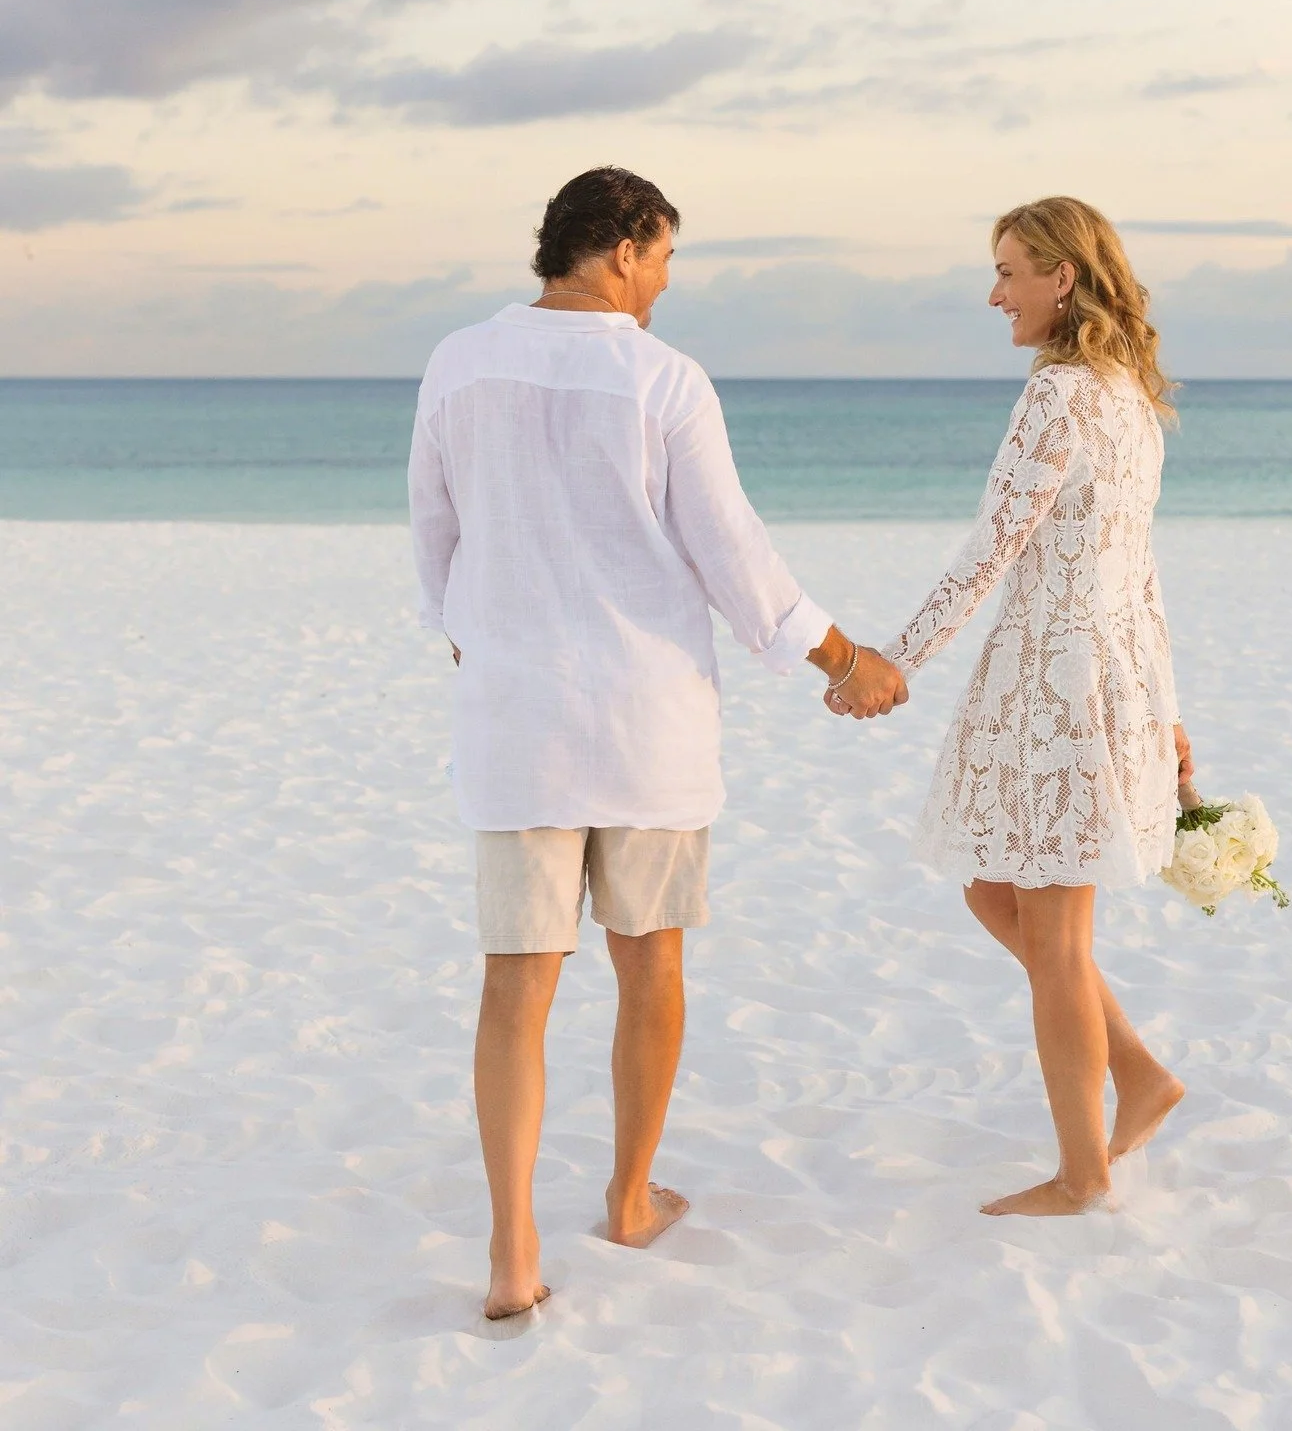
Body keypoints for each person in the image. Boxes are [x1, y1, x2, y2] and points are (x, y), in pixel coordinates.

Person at [409, 166, 906, 1319]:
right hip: (647, 720)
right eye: (666, 257)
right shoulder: (663, 376)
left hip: (518, 722)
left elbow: (435, 537)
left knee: (516, 981)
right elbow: (733, 553)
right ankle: (629, 1199)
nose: (667, 282)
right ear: (624, 247)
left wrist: (469, 635)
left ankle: (513, 1250)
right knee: (651, 963)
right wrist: (843, 660)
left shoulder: (457, 363)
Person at [876, 195, 1194, 1217]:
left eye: (1009, 271)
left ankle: (1081, 1173)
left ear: (1063, 276)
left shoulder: (1060, 393)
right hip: (1105, 676)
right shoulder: (1129, 396)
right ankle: (1137, 1073)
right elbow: (1141, 573)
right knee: (993, 892)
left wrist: (893, 660)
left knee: (1054, 939)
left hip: (1061, 692)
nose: (994, 294)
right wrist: (1163, 707)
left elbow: (990, 549)